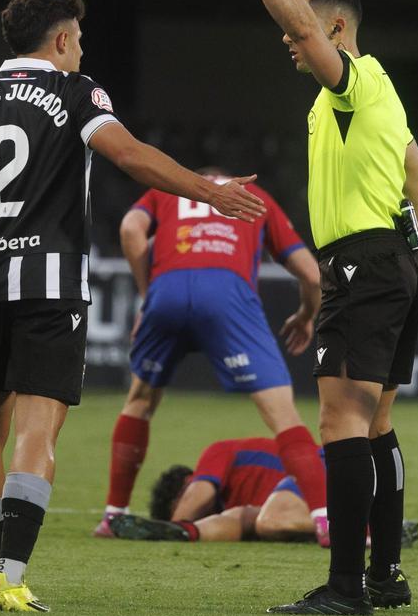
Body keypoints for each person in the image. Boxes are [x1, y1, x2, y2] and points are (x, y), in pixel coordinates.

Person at [0, 0, 265, 613]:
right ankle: (12, 578)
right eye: (80, 37)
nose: (82, 47)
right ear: (64, 39)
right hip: (51, 287)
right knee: (38, 432)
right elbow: (129, 155)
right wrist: (207, 192)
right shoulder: (76, 93)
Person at [222, 0, 418, 616]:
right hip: (397, 259)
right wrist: (411, 263)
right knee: (375, 425)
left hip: (363, 262)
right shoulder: (381, 93)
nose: (290, 37)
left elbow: (305, 28)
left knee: (339, 423)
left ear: (335, 29)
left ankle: (346, 587)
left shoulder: (347, 85)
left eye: (300, 26)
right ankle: (385, 575)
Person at [94, 173, 327, 543]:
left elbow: (129, 229)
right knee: (282, 413)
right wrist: (306, 314)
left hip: (166, 290)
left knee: (139, 401)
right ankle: (324, 519)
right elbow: (313, 276)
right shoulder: (255, 195)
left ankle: (113, 514)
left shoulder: (167, 189)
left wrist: (147, 295)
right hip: (227, 293)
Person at [108, 439, 418, 559]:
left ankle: (375, 531)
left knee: (268, 522)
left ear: (184, 485)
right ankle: (184, 534)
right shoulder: (234, 501)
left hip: (320, 470)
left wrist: (173, 518)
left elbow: (200, 492)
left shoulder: (215, 454)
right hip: (298, 498)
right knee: (249, 519)